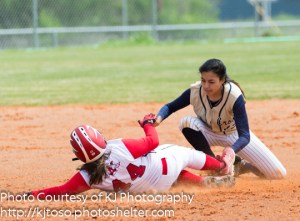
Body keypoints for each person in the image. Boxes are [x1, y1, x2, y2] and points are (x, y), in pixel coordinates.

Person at [24, 114, 236, 199]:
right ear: (99, 138)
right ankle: (220, 165)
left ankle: (203, 182)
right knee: (183, 155)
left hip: (156, 187)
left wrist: (28, 195)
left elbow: (61, 192)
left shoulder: (87, 177)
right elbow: (153, 142)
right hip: (165, 162)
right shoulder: (118, 146)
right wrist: (147, 124)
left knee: (174, 178)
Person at [155, 58, 286, 179]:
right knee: (186, 122)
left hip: (234, 136)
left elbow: (245, 135)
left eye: (211, 82)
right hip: (208, 132)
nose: (206, 85)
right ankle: (215, 165)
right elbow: (170, 107)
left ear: (222, 80)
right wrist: (158, 119)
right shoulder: (196, 91)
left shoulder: (234, 95)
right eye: (203, 80)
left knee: (277, 174)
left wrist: (231, 151)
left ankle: (240, 166)